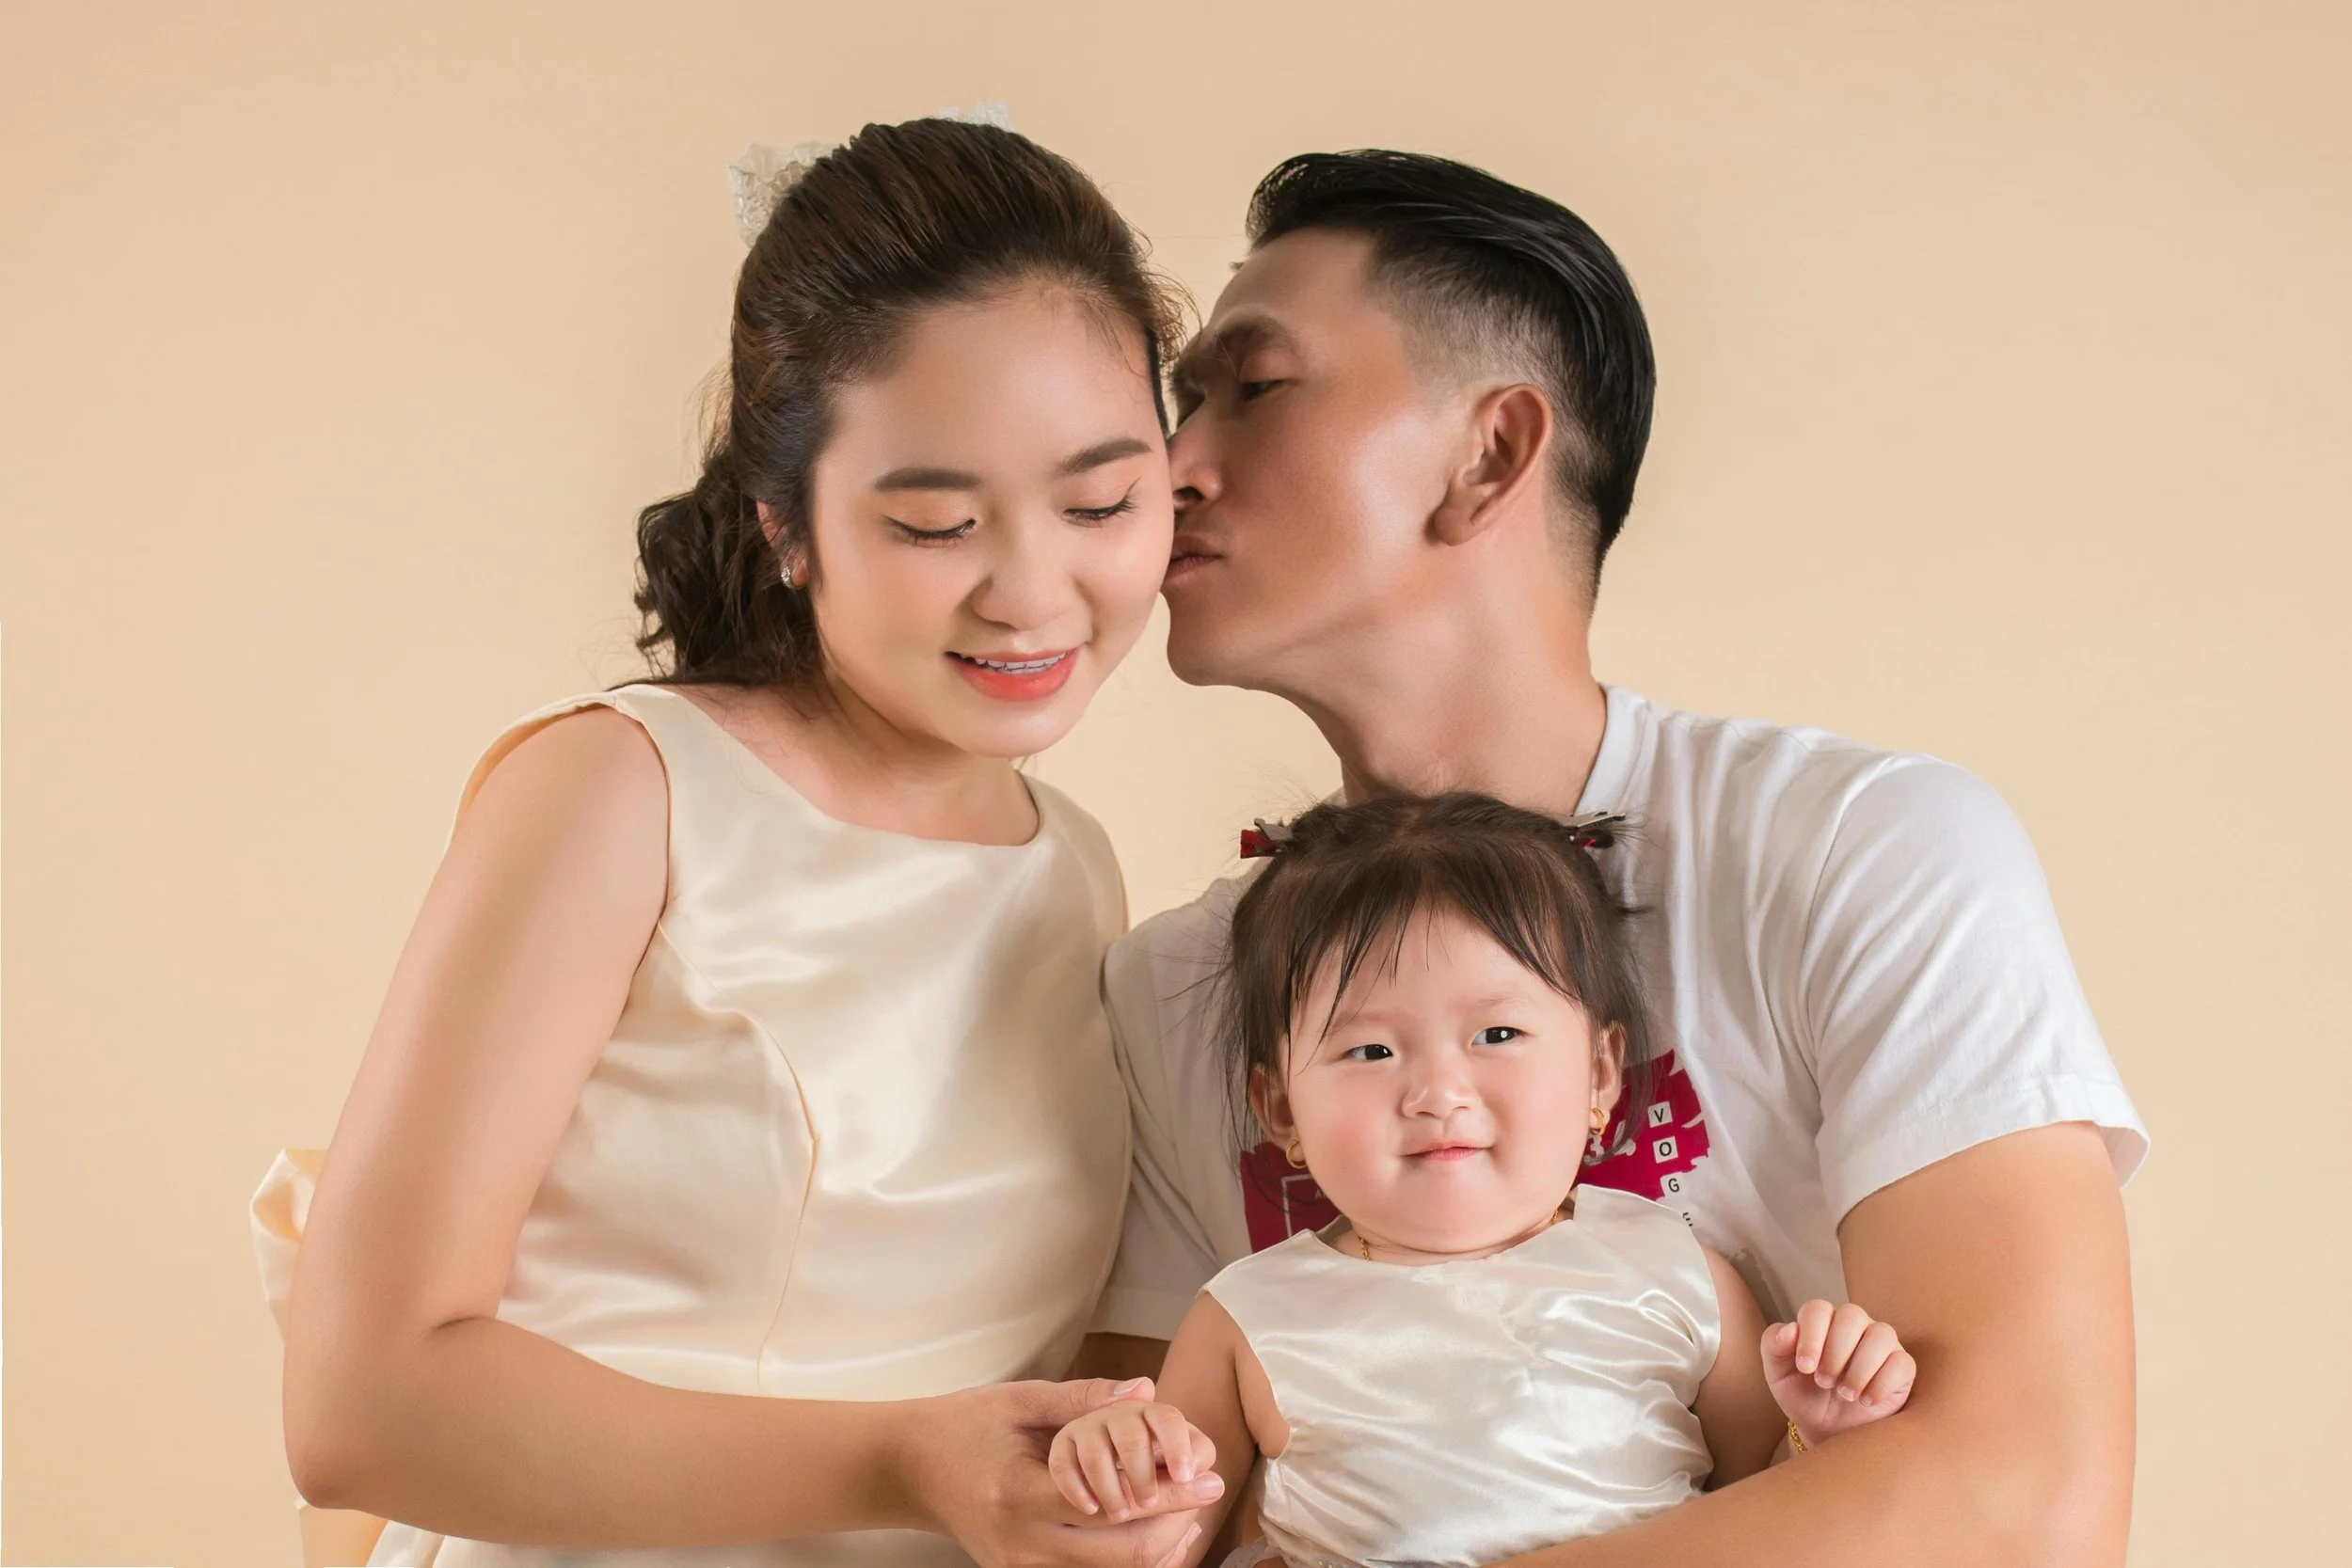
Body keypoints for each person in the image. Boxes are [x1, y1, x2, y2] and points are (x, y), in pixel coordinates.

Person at [1084, 150, 2147, 1566]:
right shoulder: (1177, 985)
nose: (1174, 465)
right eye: (1182, 403)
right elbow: (1137, 1512)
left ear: (1490, 455)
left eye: (1252, 388)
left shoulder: (1862, 848)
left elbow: (2021, 1502)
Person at [250, 113, 1222, 1568]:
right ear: (785, 522)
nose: (1035, 593)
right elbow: (362, 1401)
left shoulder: (1069, 860)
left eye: (1101, 502)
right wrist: (899, 1458)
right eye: (938, 522)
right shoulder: (621, 788)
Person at [1051, 795, 1917, 1566]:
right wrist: (1117, 1466)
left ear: (1601, 1074)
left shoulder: (1673, 1268)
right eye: (1370, 1050)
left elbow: (1754, 1502)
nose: (1438, 1093)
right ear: (1280, 1111)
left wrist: (1821, 1426)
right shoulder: (1244, 1313)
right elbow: (1162, 1542)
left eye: (1497, 1034)